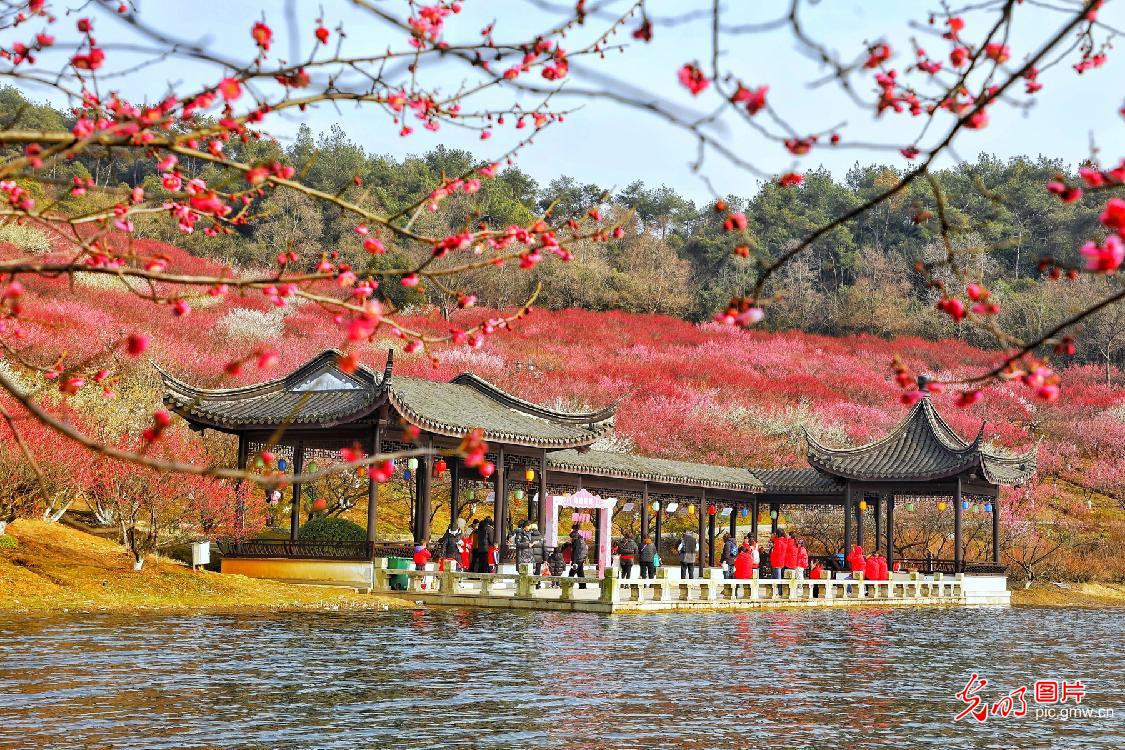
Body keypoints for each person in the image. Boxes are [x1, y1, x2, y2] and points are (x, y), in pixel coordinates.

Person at [569, 523, 589, 588]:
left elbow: (576, 551)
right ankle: (582, 586)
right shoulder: (581, 539)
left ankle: (568, 585)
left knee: (571, 573)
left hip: (577, 560)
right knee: (580, 573)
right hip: (581, 559)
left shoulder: (577, 540)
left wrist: (574, 562)